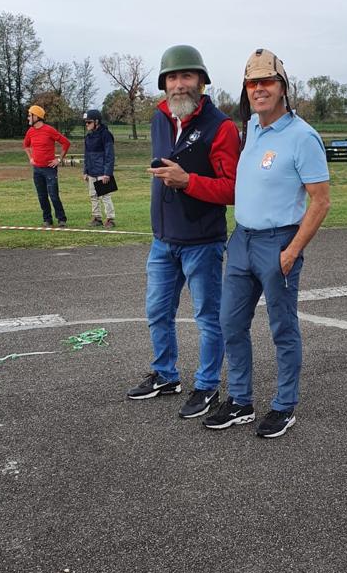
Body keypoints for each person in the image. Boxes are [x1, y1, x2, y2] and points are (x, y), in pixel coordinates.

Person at [205, 48, 330, 439]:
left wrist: (292, 251)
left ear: (282, 86)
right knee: (230, 323)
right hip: (242, 239)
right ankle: (241, 401)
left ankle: (284, 405)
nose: (259, 89)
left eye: (267, 82)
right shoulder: (252, 129)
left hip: (278, 243)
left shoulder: (302, 137)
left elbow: (321, 201)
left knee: (282, 328)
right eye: (252, 83)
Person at [127, 44, 241, 419]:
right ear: (164, 84)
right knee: (157, 312)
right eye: (172, 77)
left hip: (202, 242)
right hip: (163, 240)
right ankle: (165, 375)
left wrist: (188, 181)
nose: (179, 84)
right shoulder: (160, 118)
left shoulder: (221, 127)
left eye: (186, 76)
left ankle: (207, 386)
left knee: (208, 318)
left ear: (202, 82)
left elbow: (233, 189)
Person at [23, 105, 70, 228]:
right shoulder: (30, 131)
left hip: (50, 169)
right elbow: (26, 146)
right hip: (37, 170)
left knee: (53, 195)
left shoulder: (49, 130)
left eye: (29, 115)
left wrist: (59, 159)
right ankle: (47, 219)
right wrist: (31, 158)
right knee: (42, 196)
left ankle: (61, 219)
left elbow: (66, 143)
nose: (28, 118)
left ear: (36, 117)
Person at [82, 109, 116, 228]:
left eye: (89, 122)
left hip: (102, 171)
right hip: (91, 171)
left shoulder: (106, 135)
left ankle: (110, 219)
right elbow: (86, 155)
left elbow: (110, 155)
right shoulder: (88, 136)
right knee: (93, 196)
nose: (87, 124)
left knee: (105, 196)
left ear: (96, 122)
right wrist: (85, 171)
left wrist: (107, 173)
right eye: (86, 122)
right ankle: (97, 218)